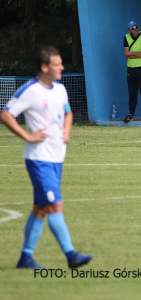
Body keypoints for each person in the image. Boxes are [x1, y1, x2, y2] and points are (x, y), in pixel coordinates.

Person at [1, 46, 93, 269]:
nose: (62, 67)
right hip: (39, 159)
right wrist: (27, 136)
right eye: (57, 64)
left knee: (40, 209)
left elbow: (68, 112)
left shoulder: (60, 89)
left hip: (56, 158)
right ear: (44, 67)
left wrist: (66, 132)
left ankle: (26, 257)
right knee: (55, 205)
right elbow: (5, 114)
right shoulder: (30, 90)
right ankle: (71, 255)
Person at [123, 20, 141, 123]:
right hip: (131, 68)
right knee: (132, 92)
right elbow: (126, 54)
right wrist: (139, 53)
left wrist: (132, 54)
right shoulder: (126, 37)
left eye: (137, 27)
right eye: (133, 28)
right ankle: (131, 114)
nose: (136, 29)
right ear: (129, 30)